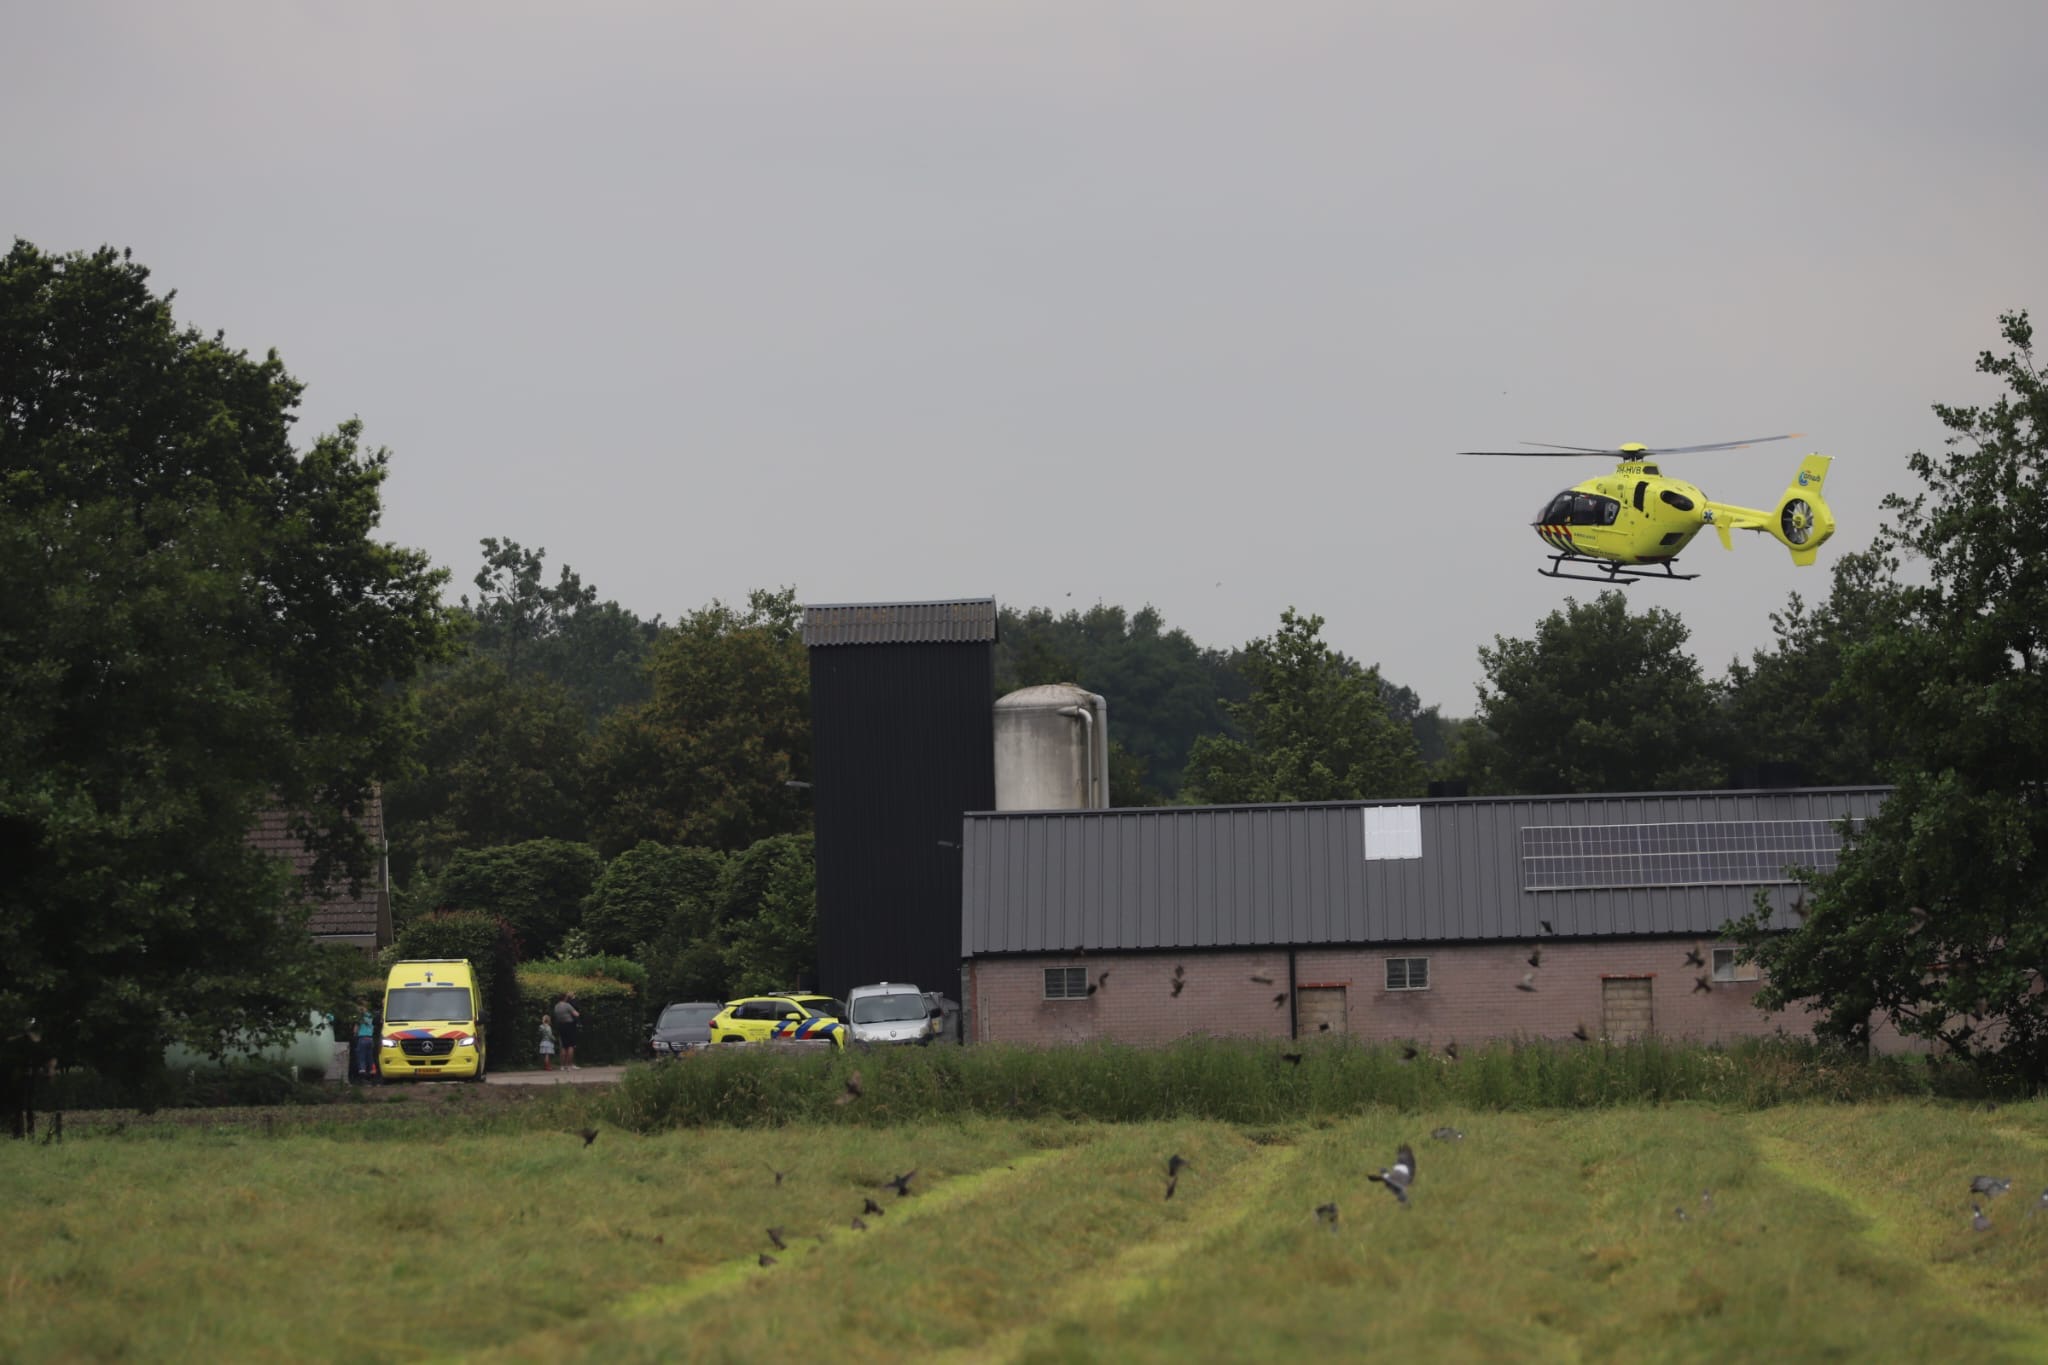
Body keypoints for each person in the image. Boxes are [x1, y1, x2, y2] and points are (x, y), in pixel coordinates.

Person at [552, 992, 580, 1070]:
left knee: (563, 1046)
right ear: (565, 998)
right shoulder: (567, 1005)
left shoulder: (556, 1006)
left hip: (560, 1025)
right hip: (569, 1026)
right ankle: (569, 1065)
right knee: (571, 1045)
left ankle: (562, 1066)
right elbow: (576, 1014)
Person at [353, 1000, 377, 1084]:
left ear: (361, 1007)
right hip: (370, 1039)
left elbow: (356, 1029)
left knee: (361, 1058)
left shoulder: (360, 1017)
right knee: (370, 1058)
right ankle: (373, 1076)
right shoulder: (370, 1016)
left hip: (362, 1038)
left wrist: (354, 1034)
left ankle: (362, 1078)